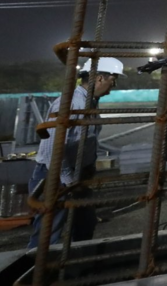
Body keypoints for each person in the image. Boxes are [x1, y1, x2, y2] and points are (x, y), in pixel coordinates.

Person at [28, 57, 124, 248]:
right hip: (57, 176)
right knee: (49, 229)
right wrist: (68, 179)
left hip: (76, 174)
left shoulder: (90, 103)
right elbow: (51, 149)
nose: (112, 87)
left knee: (85, 224)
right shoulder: (71, 103)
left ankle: (76, 267)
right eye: (112, 81)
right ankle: (39, 273)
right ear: (99, 78)